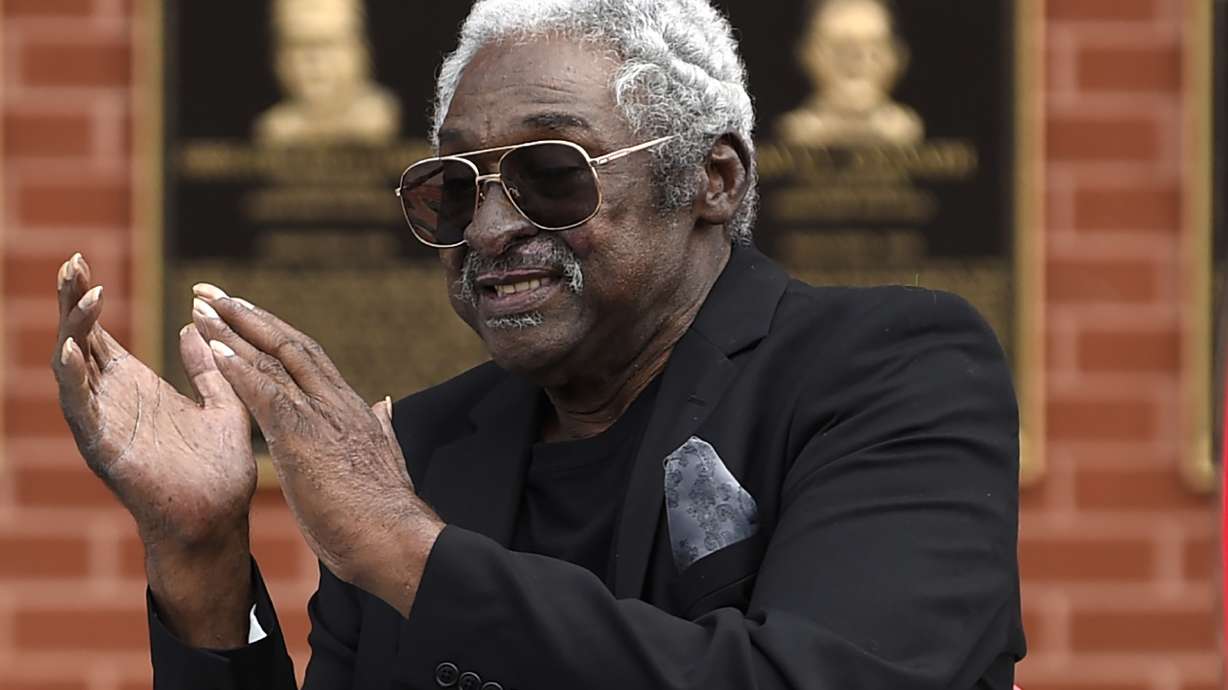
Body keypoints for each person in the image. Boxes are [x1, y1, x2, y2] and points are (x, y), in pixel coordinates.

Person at [51, 1, 1024, 688]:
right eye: (454, 189)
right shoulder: (423, 451)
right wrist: (202, 555)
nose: (487, 229)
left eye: (550, 174)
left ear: (711, 179)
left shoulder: (892, 371)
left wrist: (407, 551)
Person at [776, 0, 925, 147]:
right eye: (839, 48)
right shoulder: (797, 130)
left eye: (873, 49)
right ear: (807, 54)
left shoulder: (903, 127)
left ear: (897, 57)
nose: (855, 61)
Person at [253, 0, 400, 145]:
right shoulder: (276, 127)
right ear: (277, 58)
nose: (313, 60)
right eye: (297, 45)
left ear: (360, 50)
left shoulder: (376, 116)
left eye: (327, 44)